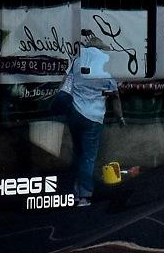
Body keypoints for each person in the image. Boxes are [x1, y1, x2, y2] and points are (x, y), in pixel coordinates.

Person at [51, 44, 119, 196]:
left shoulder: (78, 60)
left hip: (75, 113)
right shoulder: (106, 65)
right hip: (94, 117)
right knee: (89, 157)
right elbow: (115, 94)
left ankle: (71, 188)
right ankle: (84, 194)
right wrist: (119, 116)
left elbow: (65, 83)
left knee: (77, 151)